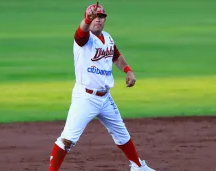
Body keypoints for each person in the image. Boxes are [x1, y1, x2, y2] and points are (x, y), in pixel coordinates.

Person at [48, 2, 156, 171]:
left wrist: (128, 71)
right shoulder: (83, 39)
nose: (98, 20)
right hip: (85, 98)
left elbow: (116, 56)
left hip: (105, 98)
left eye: (101, 17)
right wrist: (86, 19)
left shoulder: (107, 37)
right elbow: (80, 32)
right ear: (89, 18)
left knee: (122, 134)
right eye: (95, 17)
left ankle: (137, 167)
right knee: (68, 139)